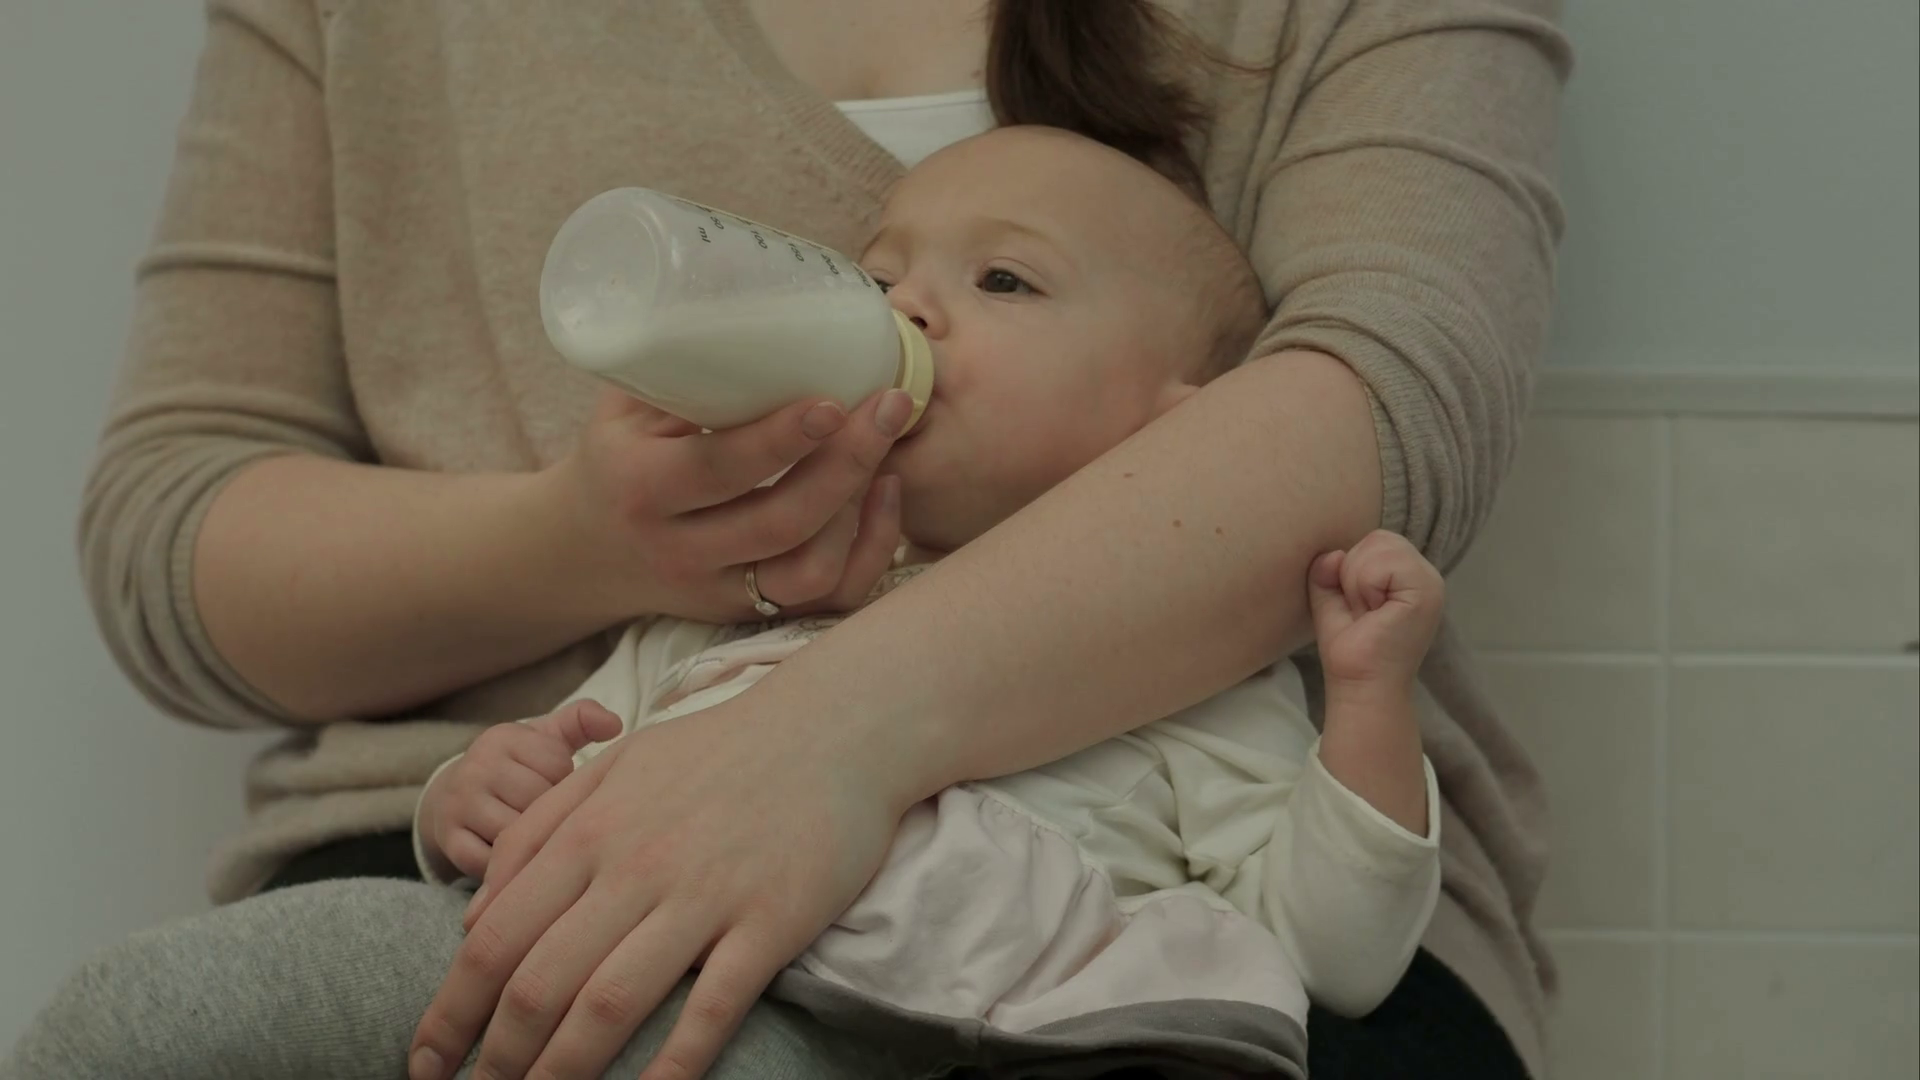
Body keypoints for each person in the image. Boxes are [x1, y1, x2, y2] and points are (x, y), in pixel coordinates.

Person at [26, 1, 1568, 1078]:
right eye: (881, 271)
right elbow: (177, 527)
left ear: (1181, 406)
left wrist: (837, 739)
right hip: (545, 909)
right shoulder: (697, 659)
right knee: (157, 1029)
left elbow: (1389, 392)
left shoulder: (1212, 729)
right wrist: (585, 570)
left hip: (1099, 997)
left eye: (1004, 284)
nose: (897, 310)